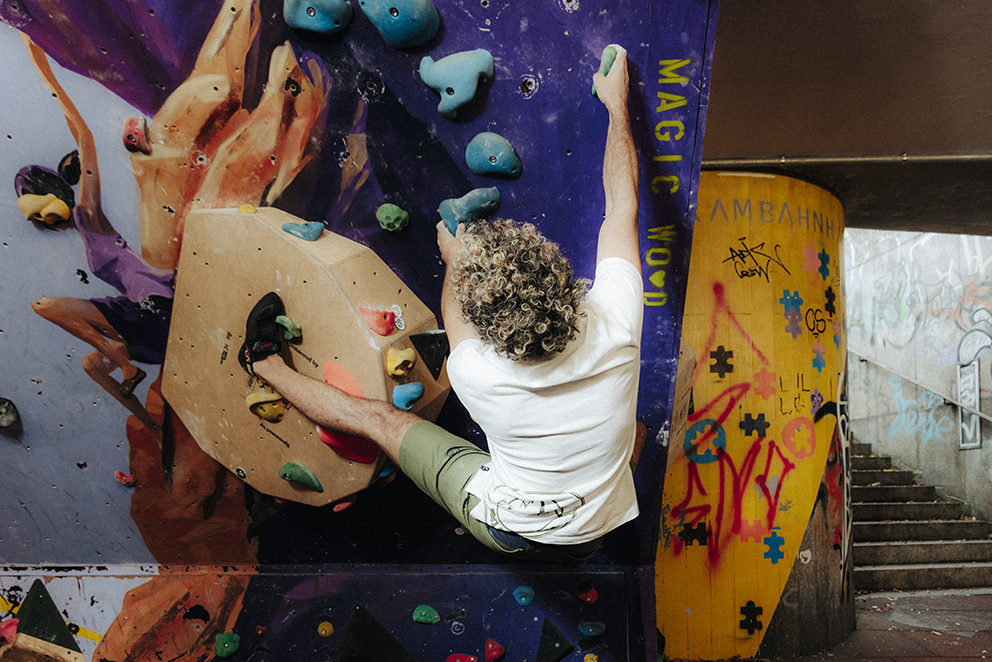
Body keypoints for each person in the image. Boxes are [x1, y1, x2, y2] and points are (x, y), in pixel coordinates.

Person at [241, 45, 641, 560]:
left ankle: (264, 363)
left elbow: (454, 319)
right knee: (636, 430)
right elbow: (623, 204)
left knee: (383, 420)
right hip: (597, 526)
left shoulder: (477, 374)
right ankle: (596, 531)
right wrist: (616, 104)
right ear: (556, 272)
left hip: (511, 529)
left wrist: (453, 258)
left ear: (491, 327)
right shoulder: (618, 321)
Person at [16, 35, 174, 437]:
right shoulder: (85, 234)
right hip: (144, 320)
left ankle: (122, 359)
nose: (47, 222)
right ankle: (153, 429)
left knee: (43, 305)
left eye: (44, 209)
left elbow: (85, 139)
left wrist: (44, 70)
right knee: (90, 366)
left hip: (157, 304)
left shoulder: (89, 216)